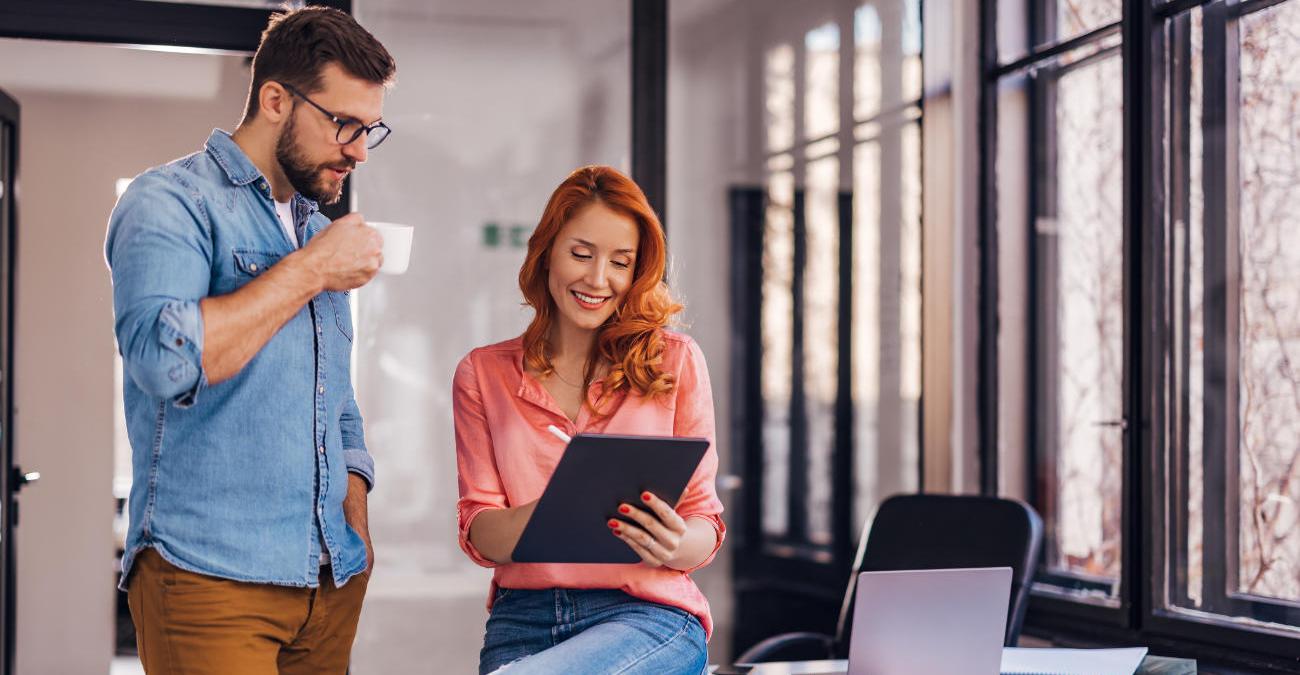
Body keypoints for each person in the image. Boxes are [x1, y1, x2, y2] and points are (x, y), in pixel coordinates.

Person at [104, 7, 395, 673]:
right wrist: (311, 271)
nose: (358, 149)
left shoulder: (322, 235)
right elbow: (163, 360)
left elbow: (337, 396)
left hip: (328, 581)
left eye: (369, 128)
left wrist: (355, 514)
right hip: (209, 578)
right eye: (343, 123)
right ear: (274, 101)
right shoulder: (169, 202)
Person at [453, 165, 725, 674]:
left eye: (620, 263)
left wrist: (674, 542)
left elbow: (704, 523)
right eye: (581, 254)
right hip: (524, 620)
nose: (598, 279)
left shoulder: (676, 361)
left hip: (647, 614)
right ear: (547, 251)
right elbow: (480, 534)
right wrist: (557, 510)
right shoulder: (482, 373)